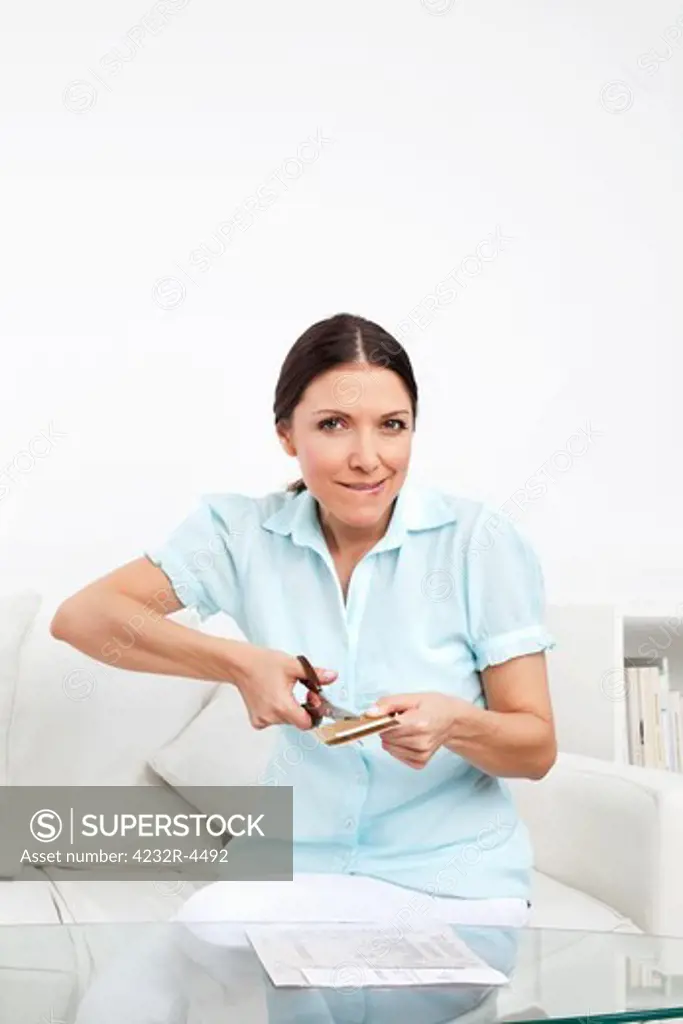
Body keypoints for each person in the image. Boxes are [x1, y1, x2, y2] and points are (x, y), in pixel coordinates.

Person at [53, 311, 557, 1019]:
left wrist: (456, 724)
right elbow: (83, 618)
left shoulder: (479, 543)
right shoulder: (240, 535)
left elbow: (534, 748)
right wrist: (239, 663)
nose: (367, 457)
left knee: (319, 998)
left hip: (455, 888)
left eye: (392, 425)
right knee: (141, 980)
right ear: (285, 434)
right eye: (331, 426)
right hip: (302, 875)